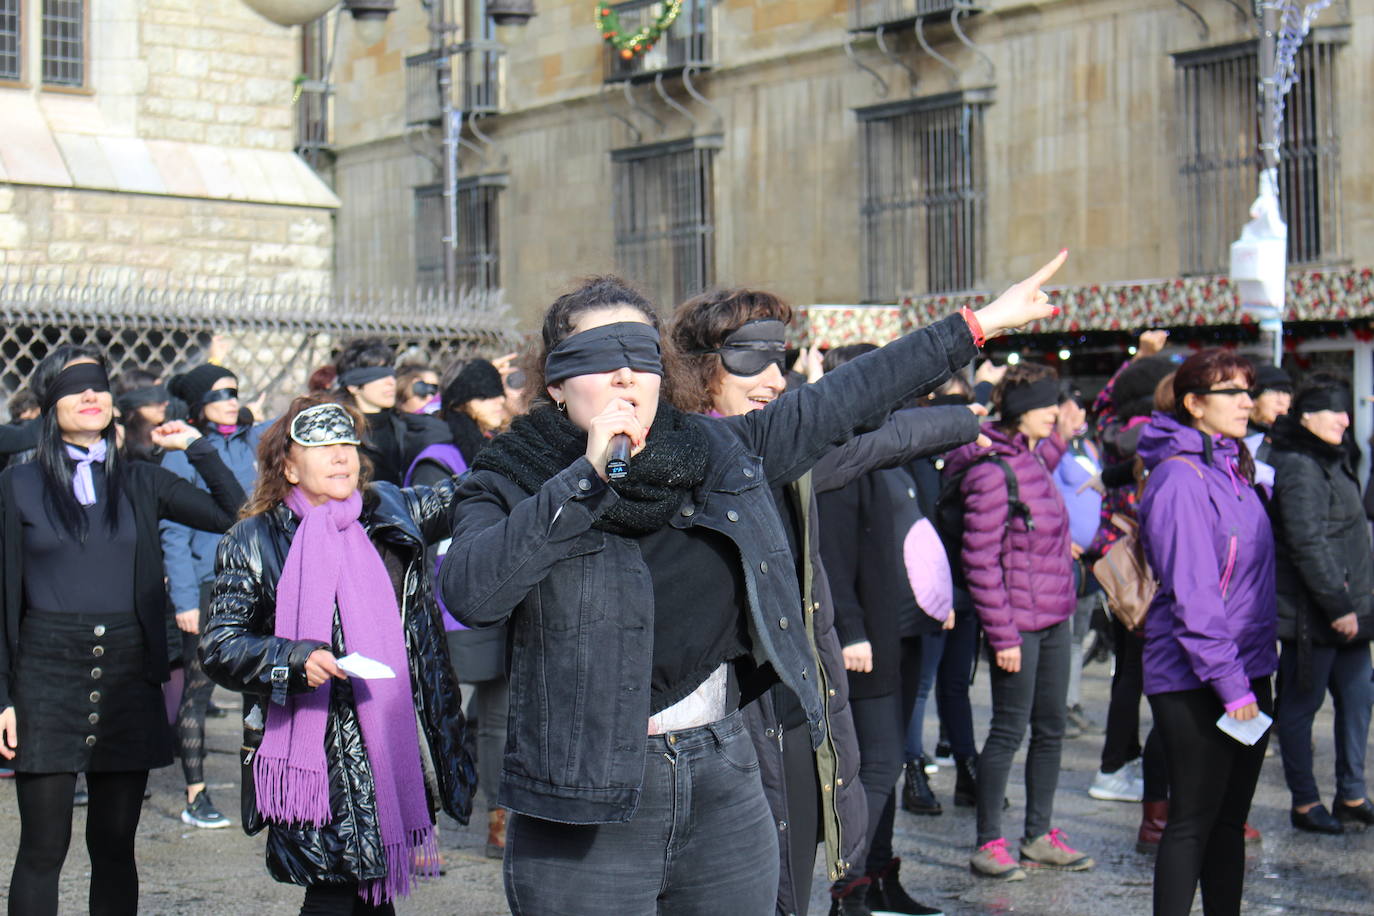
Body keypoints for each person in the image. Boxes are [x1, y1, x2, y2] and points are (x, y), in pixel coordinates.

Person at [439, 257, 1062, 915]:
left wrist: (979, 324)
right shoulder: (509, 479)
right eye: (598, 357)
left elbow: (845, 399)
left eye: (640, 356)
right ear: (557, 385)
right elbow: (474, 593)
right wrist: (585, 480)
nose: (624, 375)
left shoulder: (717, 452)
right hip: (585, 793)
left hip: (722, 773)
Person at [670, 302, 979, 916]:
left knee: (790, 890)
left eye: (780, 360)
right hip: (711, 732)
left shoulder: (793, 459)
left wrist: (965, 420)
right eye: (751, 359)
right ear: (700, 368)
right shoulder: (670, 464)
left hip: (792, 714)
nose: (775, 378)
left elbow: (880, 440)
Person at [200, 397, 476, 915]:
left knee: (372, 895)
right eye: (322, 446)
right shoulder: (254, 539)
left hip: (388, 736)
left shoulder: (390, 511)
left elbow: (473, 489)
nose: (341, 456)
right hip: (315, 754)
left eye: (347, 444)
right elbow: (220, 646)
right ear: (288, 466)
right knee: (331, 892)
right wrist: (293, 659)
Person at [0, 344, 246, 916]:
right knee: (42, 848)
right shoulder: (17, 484)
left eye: (98, 383)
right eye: (73, 385)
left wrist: (197, 447)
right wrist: (2, 695)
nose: (89, 393)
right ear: (49, 402)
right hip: (44, 672)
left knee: (114, 847)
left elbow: (235, 514)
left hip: (127, 672)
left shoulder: (141, 479)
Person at [816, 342, 976, 916]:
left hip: (907, 624)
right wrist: (850, 629)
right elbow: (833, 552)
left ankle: (881, 877)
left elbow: (916, 530)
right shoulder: (841, 453)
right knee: (877, 764)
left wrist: (939, 596)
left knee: (886, 763)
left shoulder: (892, 449)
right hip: (868, 636)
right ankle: (850, 890)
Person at [1137, 349, 1277, 916]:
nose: (1247, 402)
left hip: (1250, 668)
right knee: (1192, 821)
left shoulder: (1236, 469)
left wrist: (1254, 675)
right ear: (1195, 404)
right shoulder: (1180, 477)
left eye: (1248, 390)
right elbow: (1194, 595)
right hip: (1195, 678)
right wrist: (1232, 685)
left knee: (1229, 821)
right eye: (1232, 392)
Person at [948, 362, 1094, 881]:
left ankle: (1038, 835)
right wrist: (1002, 634)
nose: (1055, 413)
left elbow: (1051, 447)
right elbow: (980, 561)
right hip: (1018, 625)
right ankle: (989, 842)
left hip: (1054, 616)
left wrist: (1066, 427)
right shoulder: (992, 472)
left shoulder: (1031, 458)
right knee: (1009, 730)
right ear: (1020, 412)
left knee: (1050, 729)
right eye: (1046, 405)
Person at [407, 357, 513, 860]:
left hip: (502, 598)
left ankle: (499, 820)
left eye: (499, 393)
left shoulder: (499, 446)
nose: (499, 402)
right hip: (452, 604)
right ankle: (421, 824)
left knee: (499, 719)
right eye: (486, 395)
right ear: (463, 404)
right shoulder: (438, 458)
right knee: (439, 715)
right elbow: (425, 539)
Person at [1267, 374, 1374, 834]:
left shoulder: (1332, 456)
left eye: (1347, 411)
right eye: (1335, 411)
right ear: (1307, 416)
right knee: (1300, 707)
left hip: (1352, 610)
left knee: (1358, 700)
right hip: (1315, 615)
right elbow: (1306, 542)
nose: (1345, 420)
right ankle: (1305, 802)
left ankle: (1352, 794)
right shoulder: (1300, 464)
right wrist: (1337, 604)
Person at [160, 363, 263, 829]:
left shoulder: (254, 441)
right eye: (220, 394)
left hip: (256, 579)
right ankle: (196, 793)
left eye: (234, 391)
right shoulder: (183, 452)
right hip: (208, 583)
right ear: (199, 403)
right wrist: (184, 600)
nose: (230, 400)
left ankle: (258, 790)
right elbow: (173, 532)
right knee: (198, 690)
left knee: (257, 688)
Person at [1050, 379, 1104, 739]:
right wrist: (1061, 537)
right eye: (1071, 406)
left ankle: (1072, 702)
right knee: (1064, 633)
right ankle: (1057, 706)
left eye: (1081, 407)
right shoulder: (1052, 447)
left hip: (1092, 557)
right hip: (1064, 553)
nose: (1078, 413)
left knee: (1079, 636)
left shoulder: (1088, 446)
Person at [334, 339, 448, 486]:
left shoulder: (407, 429)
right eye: (378, 375)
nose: (390, 381)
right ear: (353, 386)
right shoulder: (339, 433)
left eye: (391, 372)